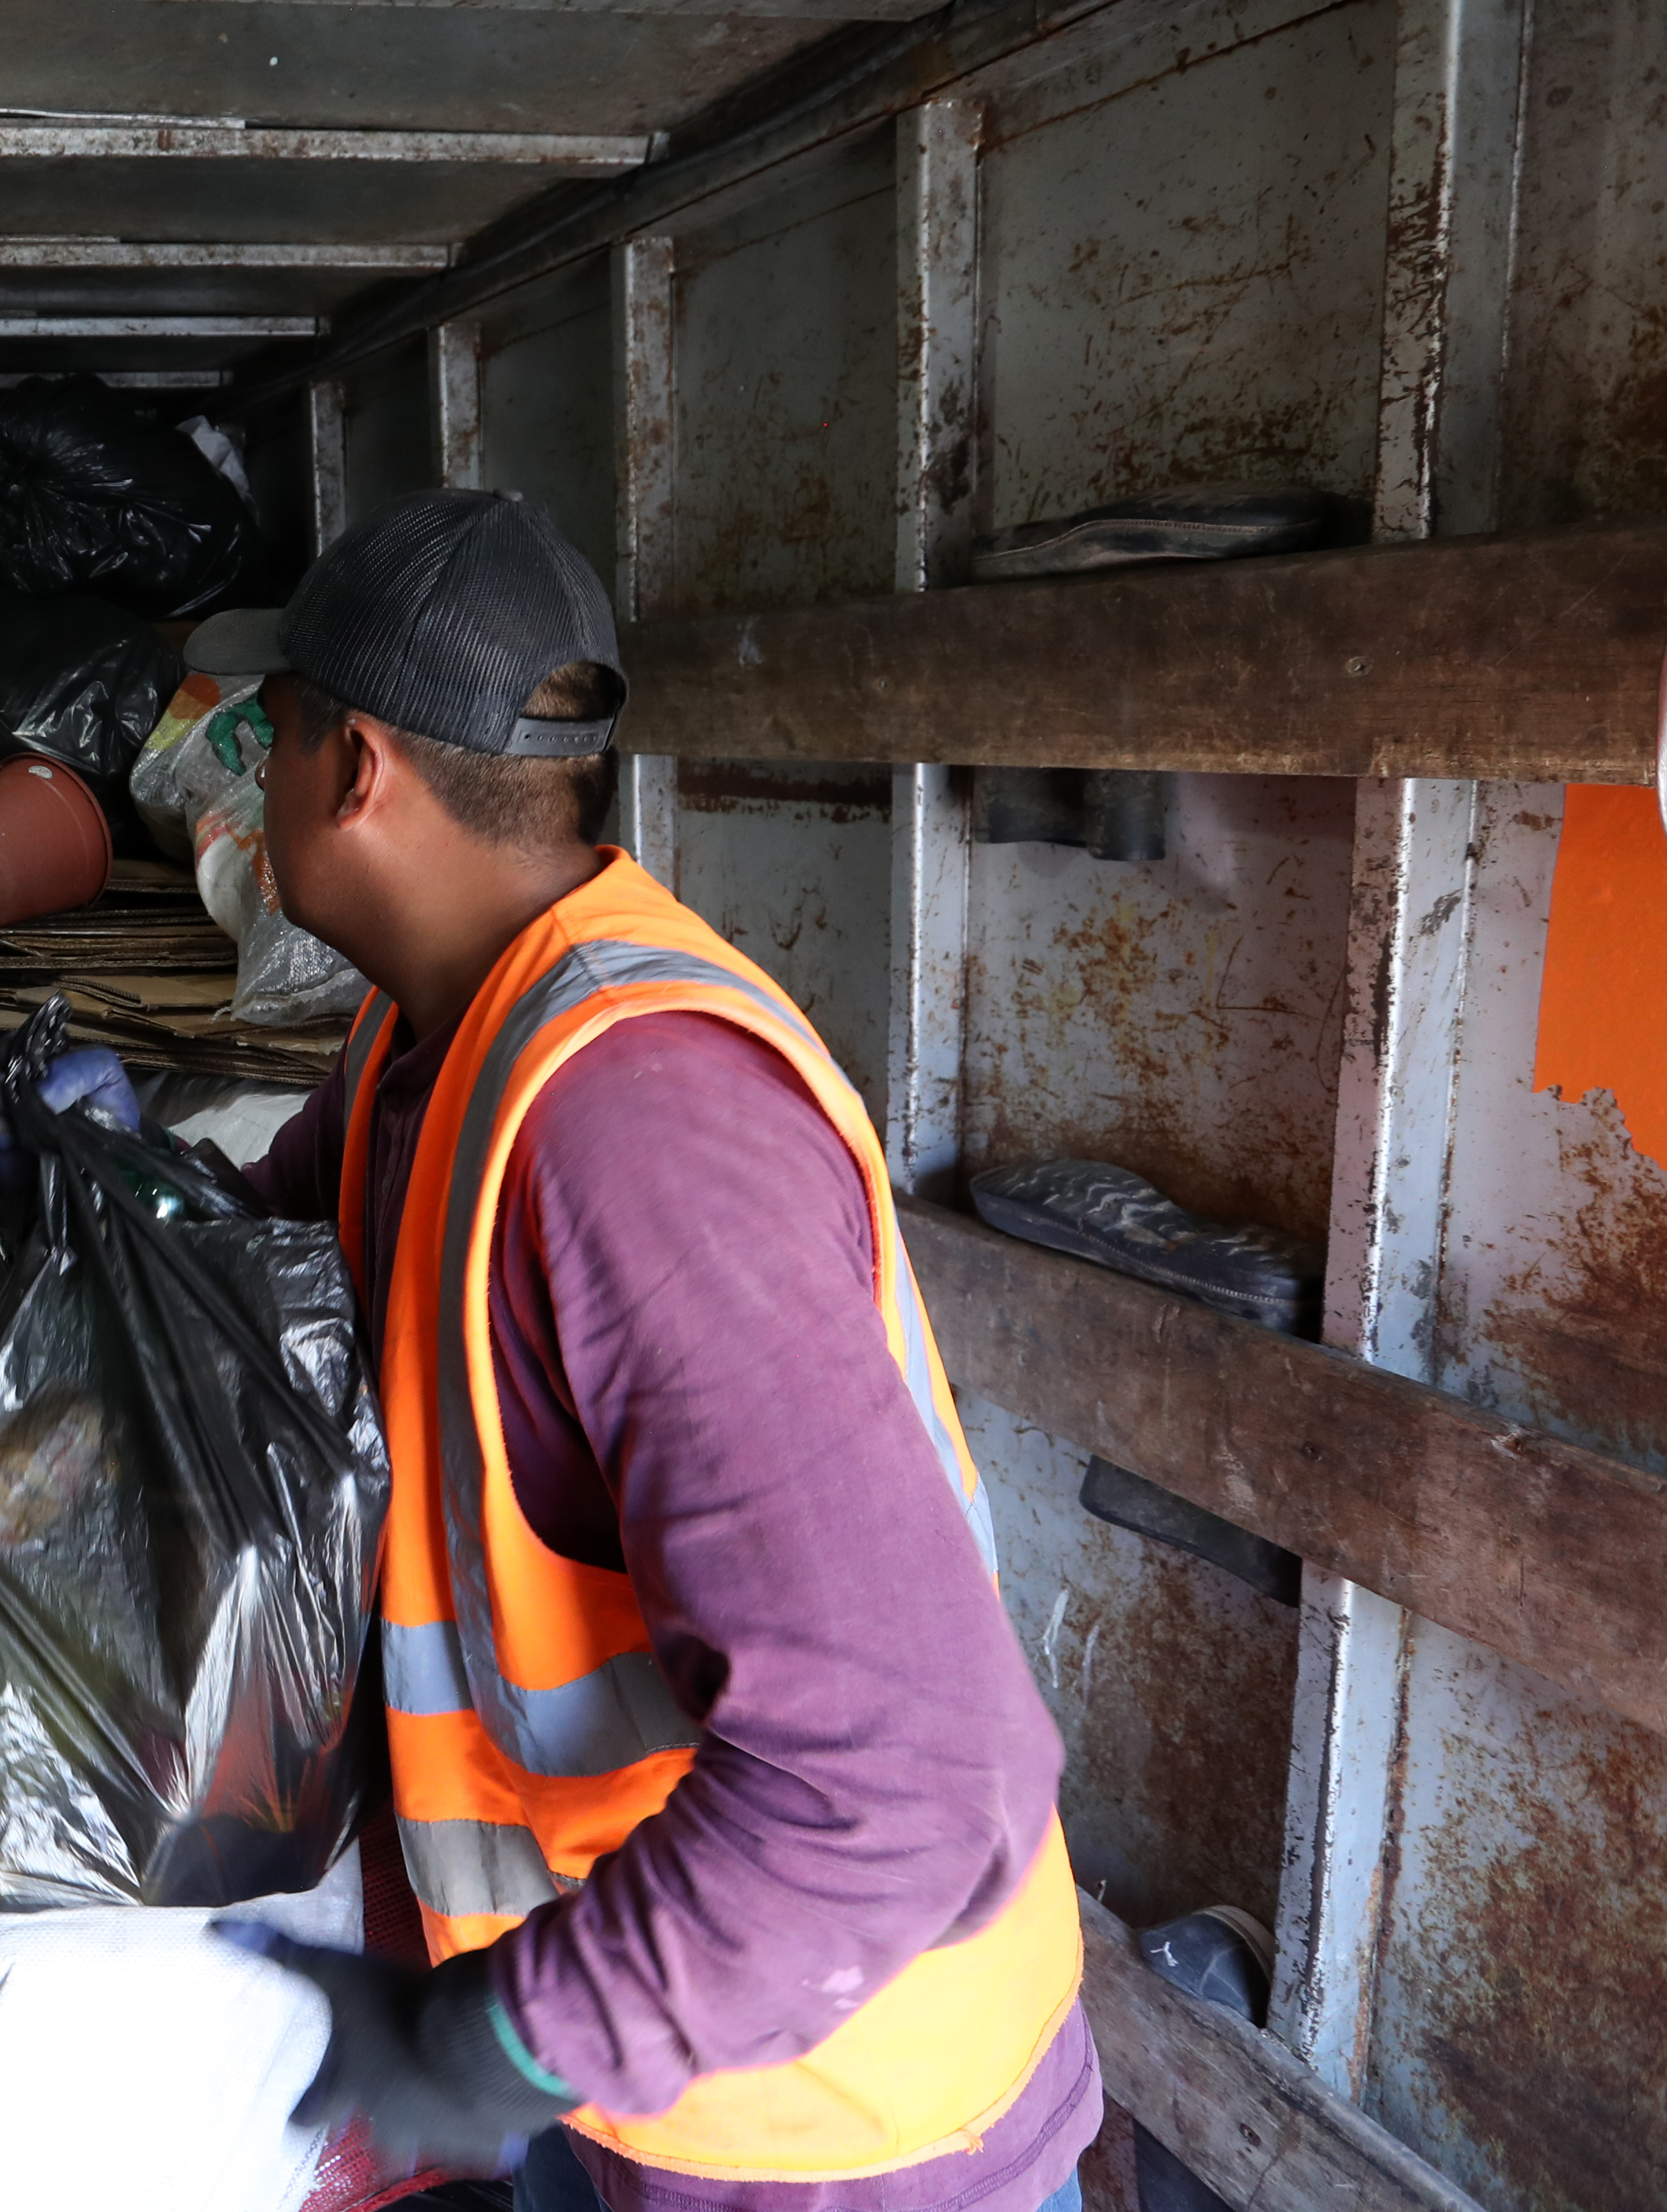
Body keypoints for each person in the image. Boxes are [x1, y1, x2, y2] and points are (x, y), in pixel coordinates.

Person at [196, 491, 1101, 2212]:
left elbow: (911, 1787)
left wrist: (493, 2051)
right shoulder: (432, 1029)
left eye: (272, 731)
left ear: (357, 771)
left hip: (834, 2130)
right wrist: (70, 1183)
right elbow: (264, 1248)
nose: (254, 773)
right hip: (620, 2062)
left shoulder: (636, 1130)